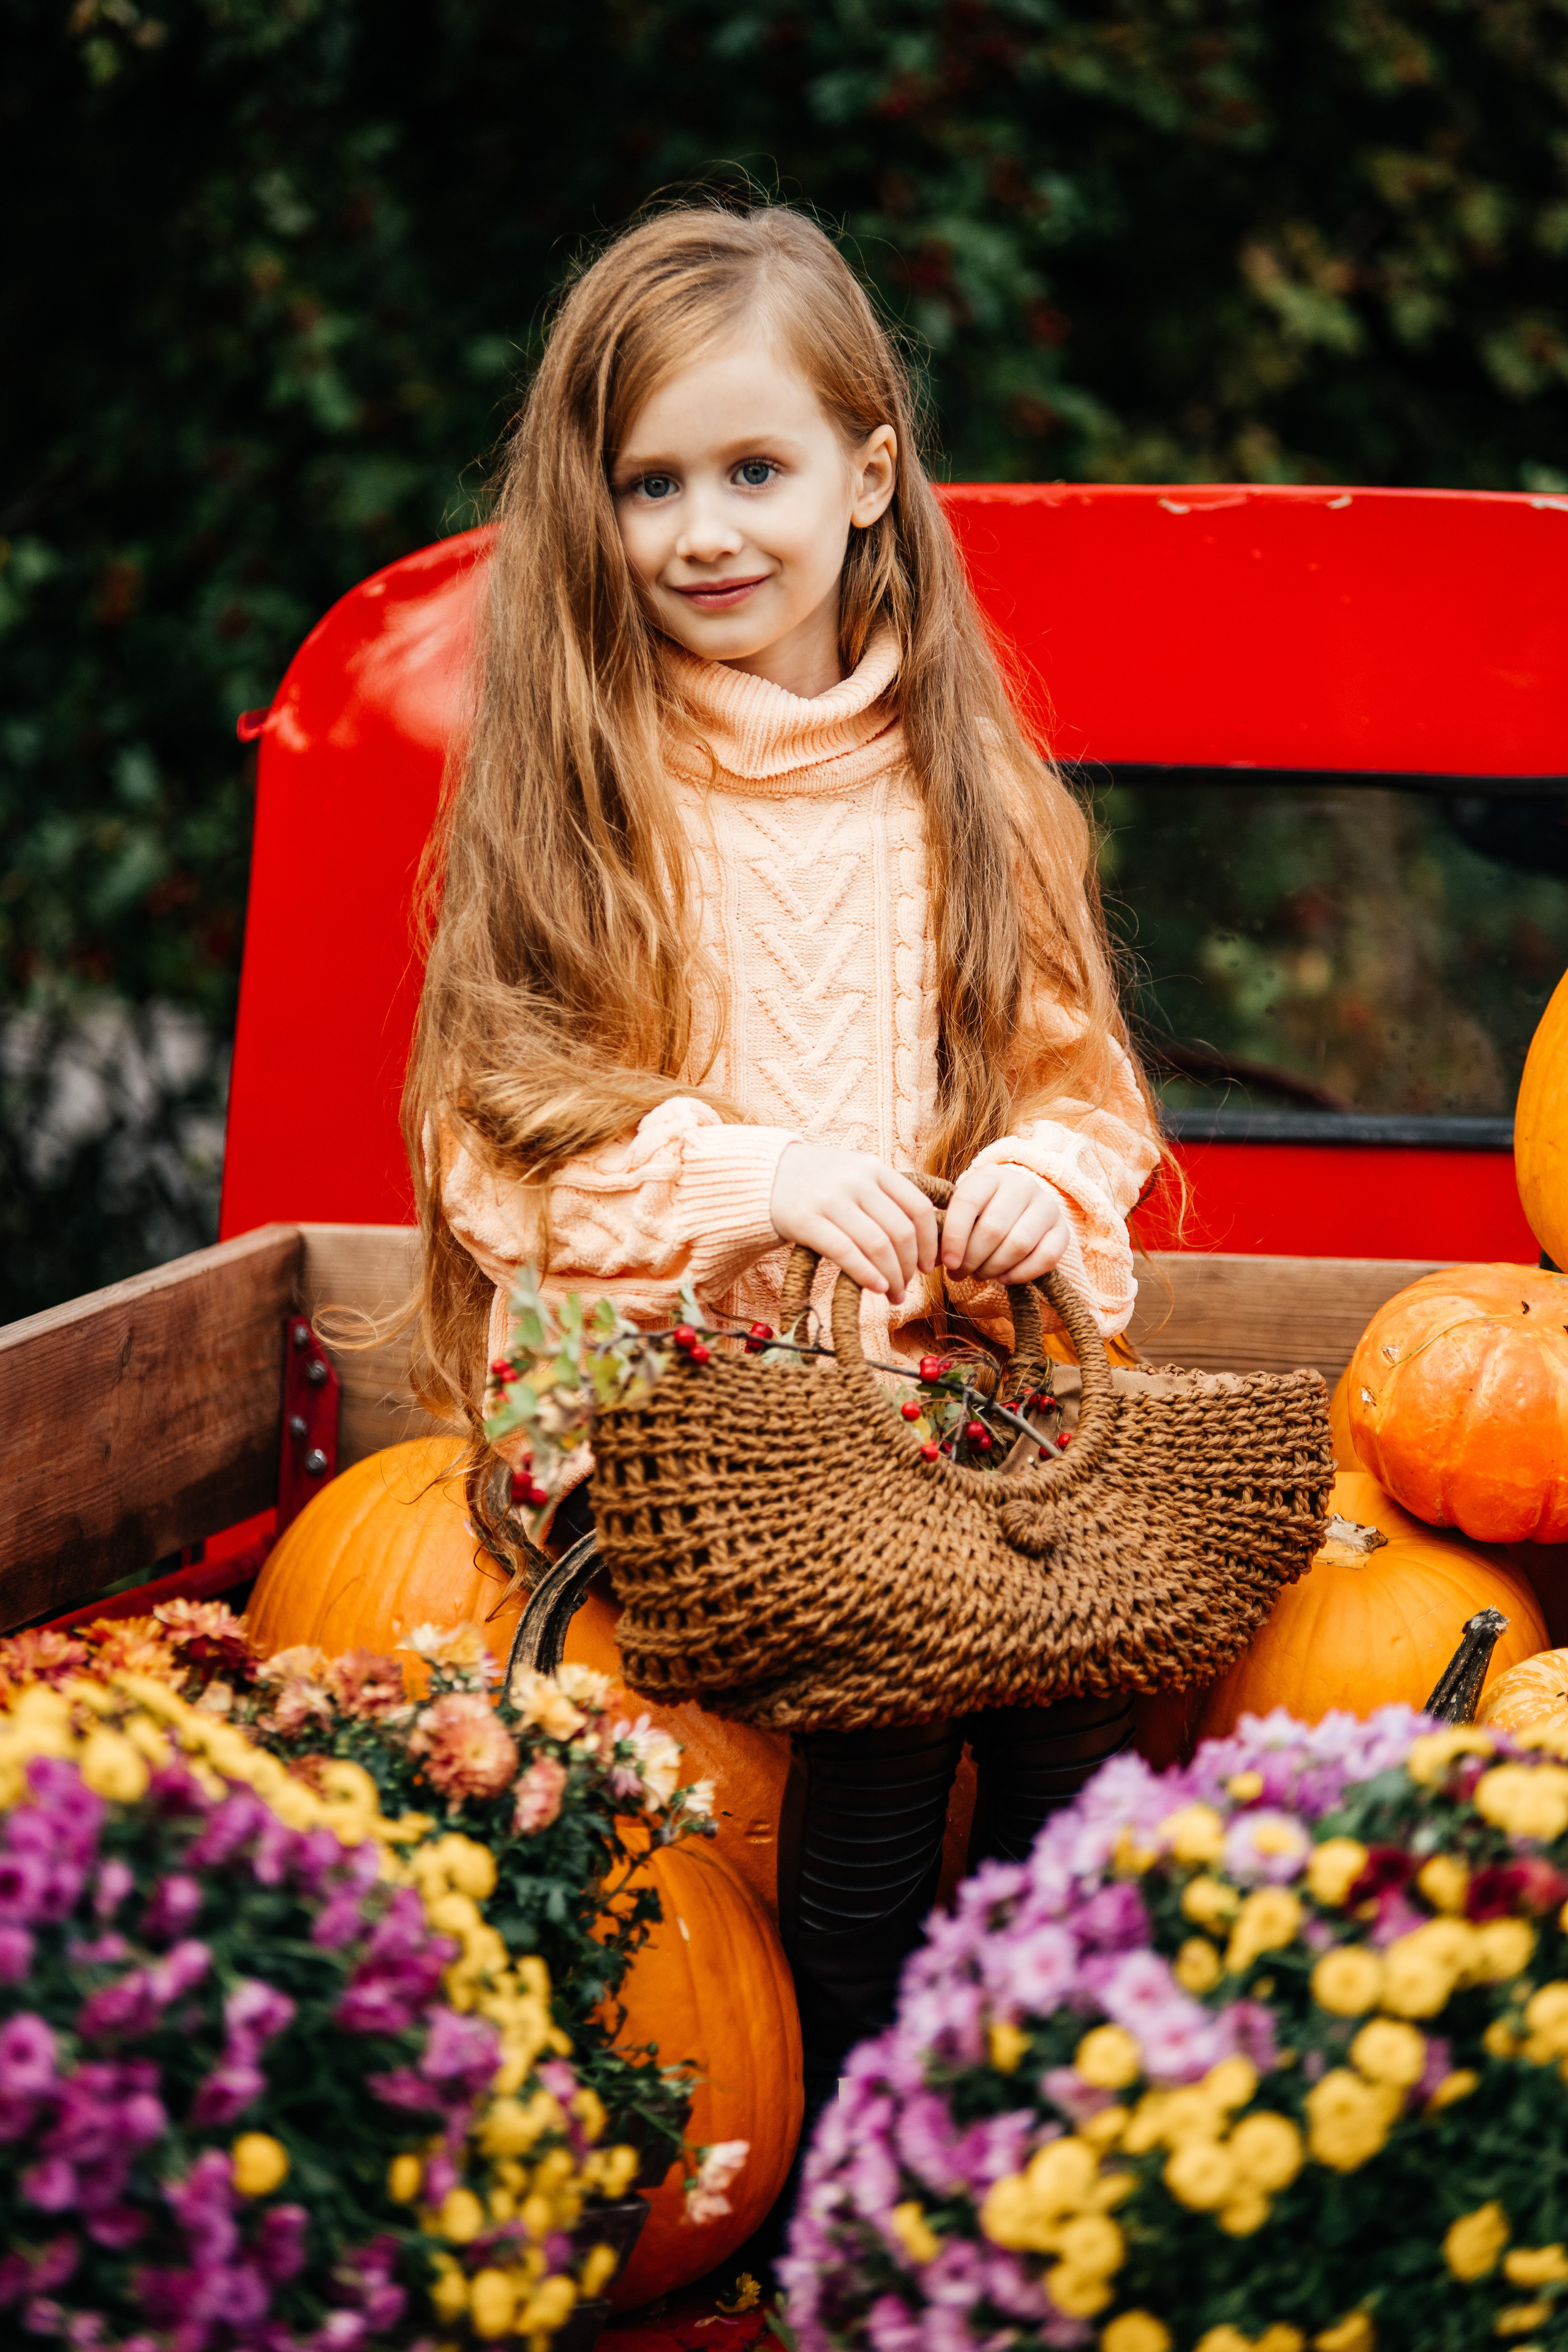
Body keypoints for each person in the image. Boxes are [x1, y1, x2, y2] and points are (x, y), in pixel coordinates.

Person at [404, 199, 1163, 2136]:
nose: (704, 531)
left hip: (916, 1379)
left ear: (868, 475)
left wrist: (1037, 1183)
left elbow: (1086, 1101)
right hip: (655, 1402)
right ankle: (843, 2112)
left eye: (756, 469)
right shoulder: (589, 783)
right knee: (895, 1660)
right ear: (593, 504)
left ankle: (1034, 2069)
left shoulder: (972, 786)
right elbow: (497, 1144)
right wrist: (747, 1178)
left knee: (1080, 1643)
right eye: (649, 484)